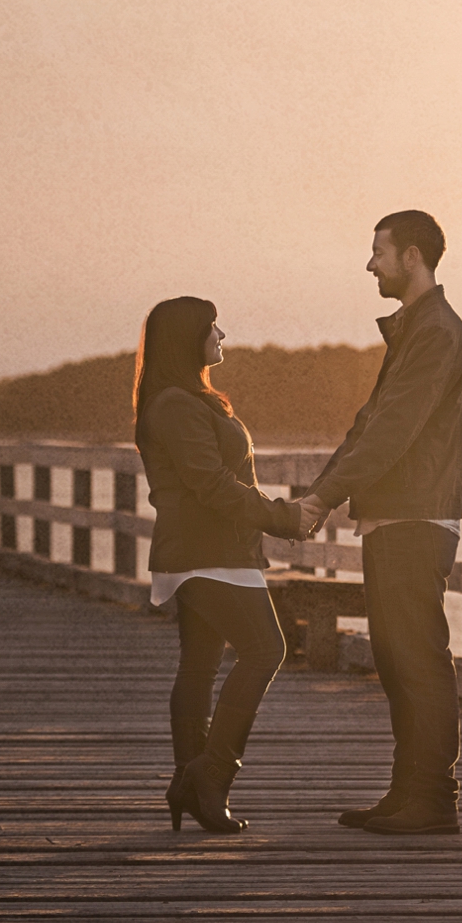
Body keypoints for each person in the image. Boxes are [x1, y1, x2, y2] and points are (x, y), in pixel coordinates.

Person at [298, 210, 462, 835]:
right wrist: (322, 492)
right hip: (396, 513)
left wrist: (321, 500)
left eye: (379, 251)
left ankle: (434, 798)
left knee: (418, 657)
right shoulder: (414, 331)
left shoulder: (437, 333)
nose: (370, 263)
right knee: (397, 658)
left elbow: (393, 431)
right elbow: (367, 426)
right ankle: (408, 793)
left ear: (413, 257)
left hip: (417, 513)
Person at [134, 296, 302, 833]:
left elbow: (216, 482)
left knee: (201, 666)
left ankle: (193, 783)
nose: (221, 333)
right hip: (210, 553)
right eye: (212, 327)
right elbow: (211, 485)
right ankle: (210, 777)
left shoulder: (179, 399)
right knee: (266, 649)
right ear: (188, 338)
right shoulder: (176, 405)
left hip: (205, 551)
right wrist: (283, 518)